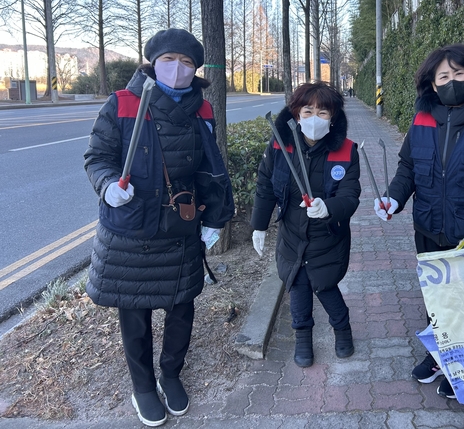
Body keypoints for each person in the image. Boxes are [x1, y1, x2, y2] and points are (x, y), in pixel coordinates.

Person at [84, 28, 235, 427]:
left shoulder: (202, 109)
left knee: (181, 305)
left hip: (180, 225)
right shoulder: (123, 103)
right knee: (134, 312)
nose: (177, 69)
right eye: (169, 60)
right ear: (153, 63)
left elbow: (210, 166)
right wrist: (107, 185)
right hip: (131, 228)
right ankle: (144, 386)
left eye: (187, 63)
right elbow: (97, 157)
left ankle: (171, 373)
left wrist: (214, 219)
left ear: (195, 69)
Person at [374, 44, 464, 399]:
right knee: (438, 298)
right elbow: (408, 167)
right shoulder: (422, 121)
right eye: (443, 76)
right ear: (432, 83)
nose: (451, 81)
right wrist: (394, 197)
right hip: (428, 228)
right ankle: (439, 355)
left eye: (459, 74)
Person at [251, 82, 361, 368]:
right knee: (297, 285)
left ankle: (342, 330)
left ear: (333, 117)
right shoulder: (280, 145)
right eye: (308, 111)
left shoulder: (346, 151)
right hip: (291, 234)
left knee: (325, 286)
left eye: (323, 112)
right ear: (296, 114)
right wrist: (259, 225)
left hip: (328, 236)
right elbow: (265, 185)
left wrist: (328, 208)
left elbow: (350, 196)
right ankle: (302, 338)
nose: (314, 118)